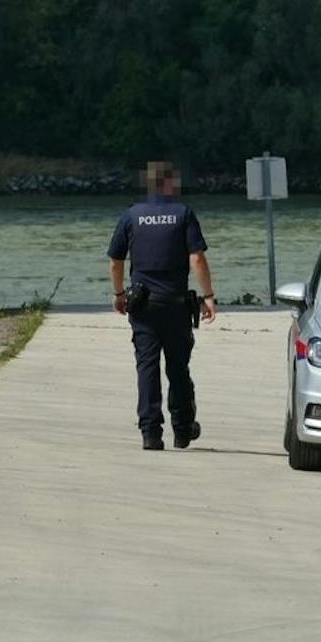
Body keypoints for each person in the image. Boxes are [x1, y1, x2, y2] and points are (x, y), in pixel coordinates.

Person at [108, 161, 218, 450]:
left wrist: (119, 294)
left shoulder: (131, 216)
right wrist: (208, 297)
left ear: (149, 184)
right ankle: (182, 429)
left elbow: (115, 261)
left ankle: (150, 433)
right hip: (175, 306)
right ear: (169, 184)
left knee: (147, 367)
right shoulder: (183, 214)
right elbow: (197, 258)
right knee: (178, 368)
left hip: (143, 306)